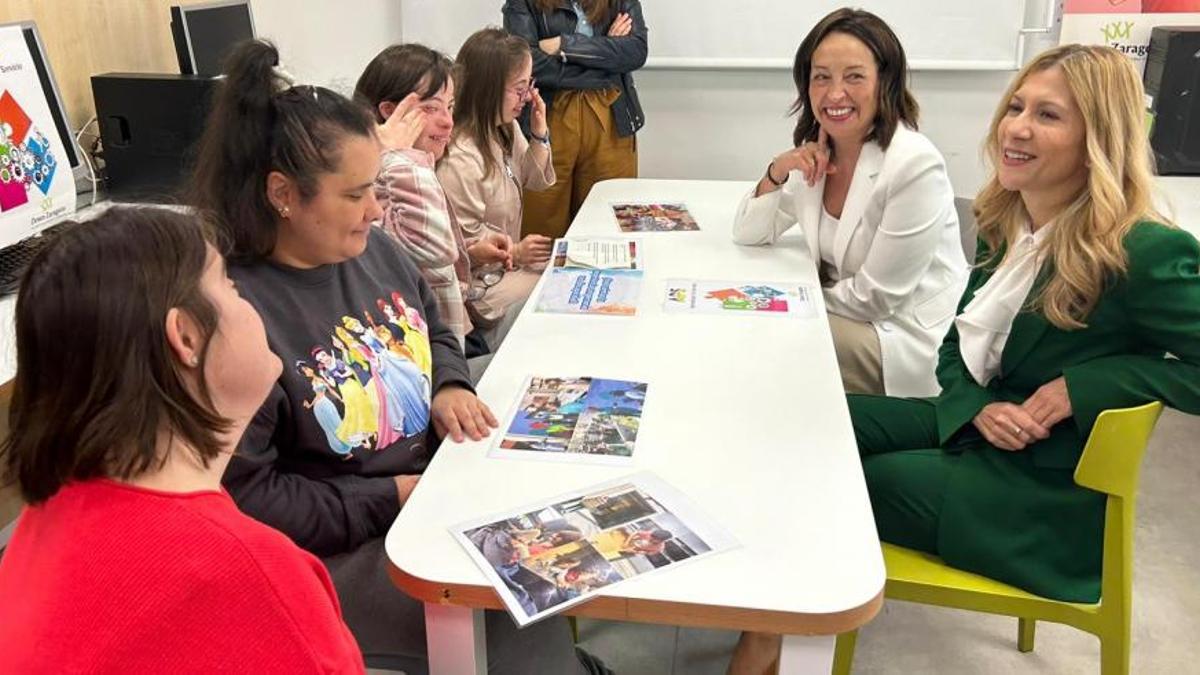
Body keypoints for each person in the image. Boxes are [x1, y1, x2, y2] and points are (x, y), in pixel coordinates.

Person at [732, 43, 1200, 674]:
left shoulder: (1143, 251)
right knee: (804, 428)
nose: (1017, 127)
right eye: (1016, 107)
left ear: (1099, 136)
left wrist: (1083, 386)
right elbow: (958, 341)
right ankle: (771, 627)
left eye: (1049, 116)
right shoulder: (1011, 220)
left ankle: (771, 646)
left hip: (1041, 488)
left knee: (828, 487)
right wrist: (977, 405)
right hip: (979, 426)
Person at [189, 40, 590, 674]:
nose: (377, 209)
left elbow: (432, 326)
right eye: (356, 195)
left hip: (427, 485)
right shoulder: (242, 320)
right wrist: (392, 497)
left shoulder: (374, 250)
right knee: (510, 611)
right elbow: (251, 499)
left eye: (377, 186)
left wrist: (450, 385)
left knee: (559, 528)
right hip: (346, 544)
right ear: (283, 194)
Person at [0, 208, 363, 673]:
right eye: (230, 286)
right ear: (186, 337)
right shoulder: (250, 575)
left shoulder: (47, 512)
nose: (248, 302)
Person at [731, 8, 966, 398]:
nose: (834, 93)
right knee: (746, 329)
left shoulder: (913, 164)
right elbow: (749, 234)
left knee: (761, 340)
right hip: (848, 312)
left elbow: (877, 299)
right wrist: (777, 170)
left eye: (854, 76)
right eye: (821, 77)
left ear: (885, 82)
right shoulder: (823, 148)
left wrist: (780, 300)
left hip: (899, 334)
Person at [353, 43, 515, 359]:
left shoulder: (414, 167)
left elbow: (418, 257)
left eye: (450, 107)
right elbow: (432, 247)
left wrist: (471, 253)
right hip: (426, 360)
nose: (448, 122)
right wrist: (399, 156)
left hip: (451, 338)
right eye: (431, 108)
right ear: (389, 113)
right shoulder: (382, 179)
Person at [437, 27, 555, 350]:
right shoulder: (460, 157)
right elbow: (458, 256)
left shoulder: (503, 128)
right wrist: (515, 253)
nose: (528, 97)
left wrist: (539, 134)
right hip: (479, 295)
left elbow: (533, 177)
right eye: (519, 89)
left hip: (504, 274)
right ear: (488, 90)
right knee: (557, 292)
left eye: (529, 86)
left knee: (563, 285)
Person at [503, 0, 648, 239]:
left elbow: (636, 52)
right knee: (542, 220)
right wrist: (605, 58)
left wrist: (564, 44)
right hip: (547, 117)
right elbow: (528, 62)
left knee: (609, 221)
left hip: (610, 116)